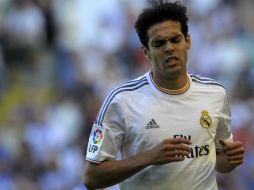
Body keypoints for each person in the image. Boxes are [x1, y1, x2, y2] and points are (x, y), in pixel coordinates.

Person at [83, 1, 245, 190]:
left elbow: (220, 161)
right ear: (146, 51)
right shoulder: (121, 100)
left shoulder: (215, 93)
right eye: (159, 43)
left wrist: (231, 159)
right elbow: (91, 177)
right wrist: (149, 157)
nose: (169, 48)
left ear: (188, 41)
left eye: (175, 40)